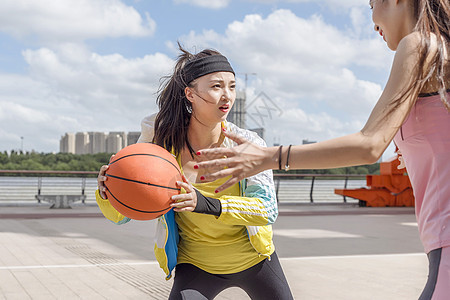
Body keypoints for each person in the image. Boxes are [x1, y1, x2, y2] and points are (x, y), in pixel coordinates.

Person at [195, 1, 450, 299]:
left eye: (371, 4)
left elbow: (370, 144)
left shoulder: (420, 44)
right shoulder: (440, 48)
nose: (372, 20)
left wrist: (268, 158)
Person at [96, 45, 293, 300]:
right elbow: (121, 216)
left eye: (232, 86)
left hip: (256, 261)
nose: (227, 96)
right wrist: (108, 191)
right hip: (196, 266)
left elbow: (267, 210)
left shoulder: (247, 144)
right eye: (216, 86)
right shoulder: (161, 146)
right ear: (190, 93)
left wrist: (206, 204)